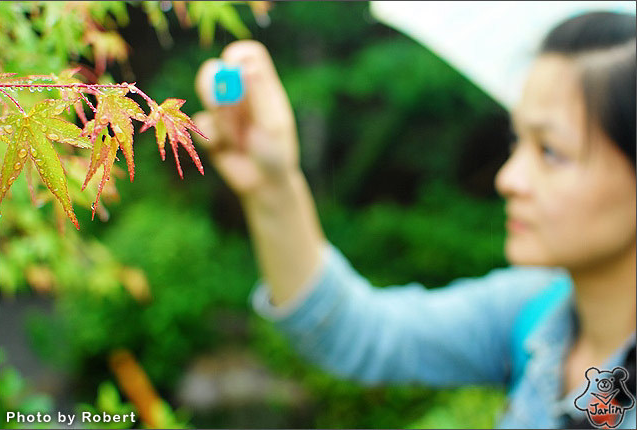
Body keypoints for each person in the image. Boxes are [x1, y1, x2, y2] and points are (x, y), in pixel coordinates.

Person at [191, 11, 636, 429]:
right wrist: (273, 184)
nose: (509, 178)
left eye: (551, 152)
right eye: (518, 140)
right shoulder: (534, 314)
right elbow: (356, 333)